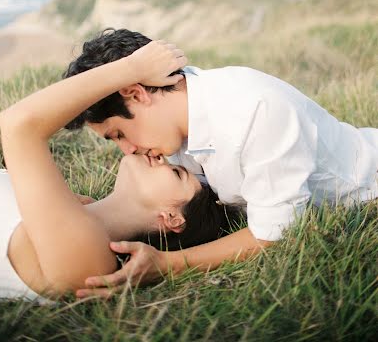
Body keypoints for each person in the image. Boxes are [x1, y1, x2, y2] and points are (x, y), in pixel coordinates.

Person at [62, 28, 378, 299]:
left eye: (119, 134)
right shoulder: (175, 117)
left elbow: (275, 233)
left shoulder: (254, 111)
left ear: (136, 94)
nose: (128, 151)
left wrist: (167, 264)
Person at [0, 41, 239, 302]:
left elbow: (18, 124)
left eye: (176, 174)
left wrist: (133, 68)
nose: (160, 158)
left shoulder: (87, 257)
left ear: (172, 218)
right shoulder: (73, 208)